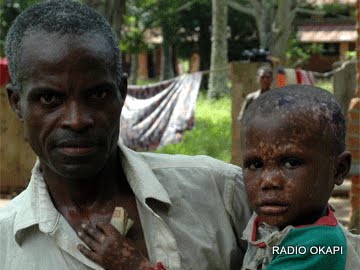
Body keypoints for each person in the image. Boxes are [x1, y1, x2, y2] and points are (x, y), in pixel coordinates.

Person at [0, 1, 251, 270]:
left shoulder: (221, 192)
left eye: (97, 94)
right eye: (50, 98)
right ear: (17, 103)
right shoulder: (6, 246)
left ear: (121, 92)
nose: (77, 121)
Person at [239, 85, 360, 270]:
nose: (268, 180)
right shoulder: (286, 224)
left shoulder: (318, 247)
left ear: (338, 169)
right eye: (256, 164)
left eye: (291, 163)